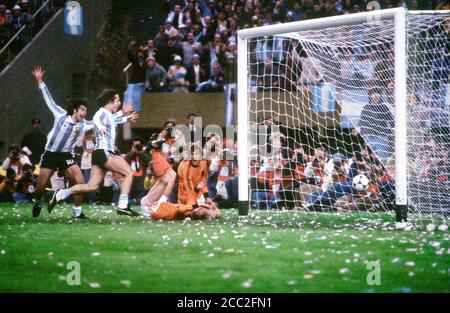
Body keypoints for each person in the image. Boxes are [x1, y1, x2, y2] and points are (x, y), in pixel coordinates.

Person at [50, 89, 140, 216]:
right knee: (129, 173)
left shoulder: (108, 115)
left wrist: (125, 117)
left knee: (92, 186)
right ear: (110, 101)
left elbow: (112, 120)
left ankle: (60, 194)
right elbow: (97, 119)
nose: (119, 103)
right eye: (118, 100)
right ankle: (123, 205)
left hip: (98, 154)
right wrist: (100, 127)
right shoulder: (102, 113)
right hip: (105, 152)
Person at [30, 66, 96, 219]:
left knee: (79, 180)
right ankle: (39, 201)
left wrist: (121, 116)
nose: (84, 113)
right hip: (50, 154)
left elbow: (99, 122)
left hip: (66, 154)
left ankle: (77, 212)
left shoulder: (84, 124)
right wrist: (40, 81)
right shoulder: (60, 114)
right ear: (74, 110)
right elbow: (48, 99)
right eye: (82, 110)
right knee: (40, 187)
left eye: (86, 111)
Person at [140, 137, 220, 221]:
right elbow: (195, 187)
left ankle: (152, 152)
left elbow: (186, 206)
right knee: (168, 177)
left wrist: (198, 201)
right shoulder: (186, 167)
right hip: (160, 204)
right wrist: (203, 196)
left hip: (153, 209)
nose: (193, 156)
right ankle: (153, 150)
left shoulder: (186, 211)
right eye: (192, 153)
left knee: (169, 176)